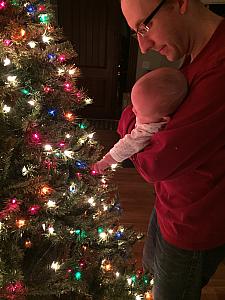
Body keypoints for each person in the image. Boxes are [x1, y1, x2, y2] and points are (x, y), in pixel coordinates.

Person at [119, 0, 225, 299]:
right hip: (169, 203)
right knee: (150, 279)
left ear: (180, 3)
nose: (143, 46)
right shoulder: (198, 52)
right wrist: (138, 119)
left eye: (145, 26)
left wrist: (132, 116)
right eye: (135, 32)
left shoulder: (219, 67)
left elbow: (154, 164)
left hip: (193, 223)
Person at [92, 67, 187, 174]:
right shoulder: (152, 114)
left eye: (139, 111)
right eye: (133, 105)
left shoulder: (150, 128)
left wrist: (106, 161)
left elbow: (129, 145)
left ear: (163, 119)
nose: (132, 110)